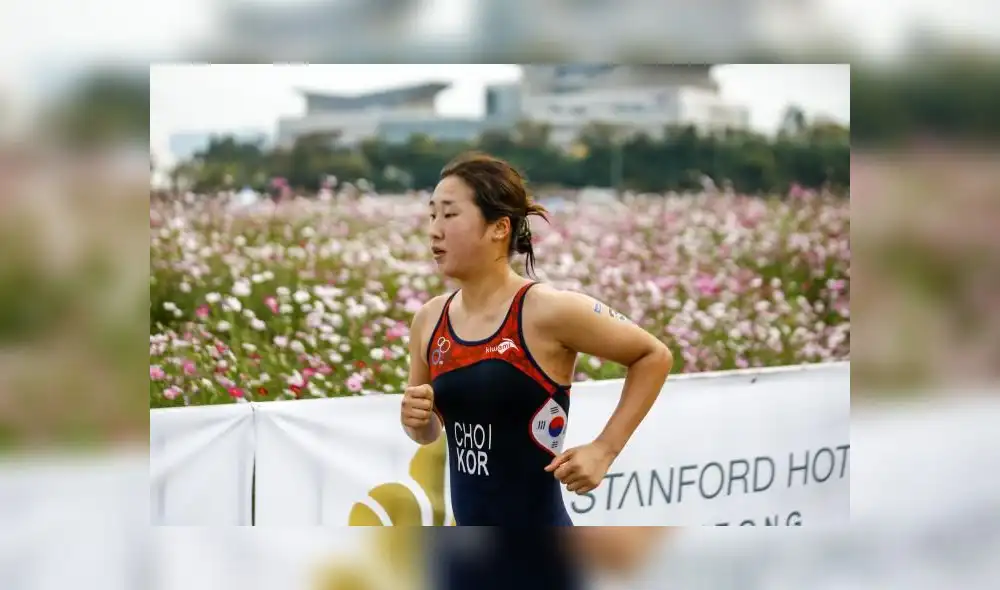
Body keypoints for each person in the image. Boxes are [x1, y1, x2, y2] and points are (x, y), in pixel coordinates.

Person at [400, 151, 673, 528]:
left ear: (499, 227)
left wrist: (604, 450)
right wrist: (417, 420)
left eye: (449, 214)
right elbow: (427, 430)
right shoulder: (430, 319)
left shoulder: (546, 310)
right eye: (432, 215)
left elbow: (653, 355)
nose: (434, 229)